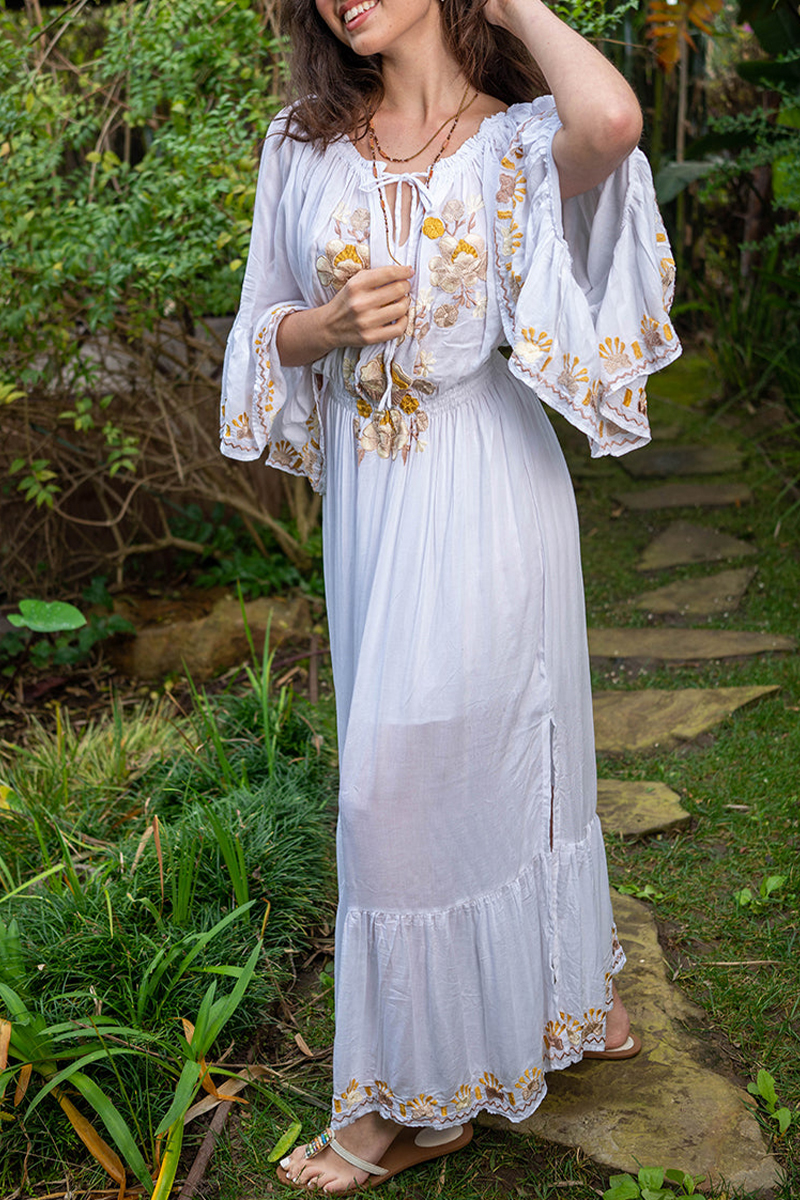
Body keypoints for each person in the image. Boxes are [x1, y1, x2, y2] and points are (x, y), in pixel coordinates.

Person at [220, 0, 680, 1191]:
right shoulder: (304, 141)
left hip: (488, 480)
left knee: (418, 774)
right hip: (373, 496)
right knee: (435, 763)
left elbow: (612, 121)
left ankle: (404, 1104)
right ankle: (551, 1006)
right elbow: (262, 325)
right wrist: (321, 326)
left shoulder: (515, 140)